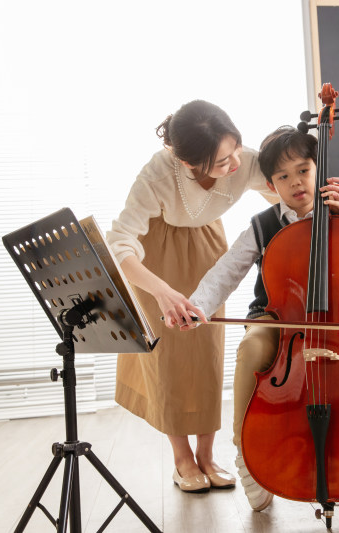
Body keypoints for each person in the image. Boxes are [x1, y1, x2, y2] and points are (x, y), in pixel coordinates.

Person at [178, 126, 339, 510]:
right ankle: (246, 453)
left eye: (303, 170)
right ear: (270, 183)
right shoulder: (262, 225)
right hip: (276, 317)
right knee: (251, 348)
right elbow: (226, 272)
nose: (296, 182)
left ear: (318, 169)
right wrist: (196, 305)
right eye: (283, 176)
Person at [106, 100, 278, 494]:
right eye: (221, 161)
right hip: (157, 257)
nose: (235, 163)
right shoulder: (156, 175)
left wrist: (326, 193)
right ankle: (182, 457)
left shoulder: (242, 160)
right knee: (169, 357)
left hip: (206, 247)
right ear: (188, 163)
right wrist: (161, 291)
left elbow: (284, 190)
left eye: (236, 148)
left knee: (207, 354)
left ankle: (207, 455)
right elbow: (120, 242)